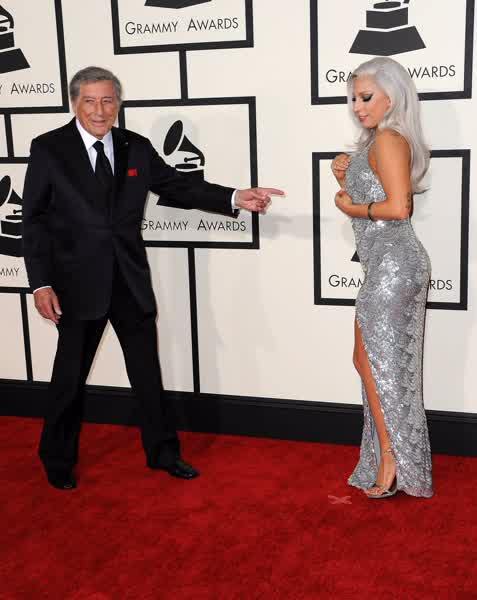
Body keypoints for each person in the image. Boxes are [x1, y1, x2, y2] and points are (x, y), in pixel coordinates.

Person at [22, 66, 284, 491]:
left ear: (118, 103)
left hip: (129, 279)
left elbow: (179, 187)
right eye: (90, 101)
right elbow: (32, 220)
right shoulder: (49, 148)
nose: (99, 110)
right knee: (69, 378)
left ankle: (163, 453)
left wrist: (235, 197)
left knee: (147, 374)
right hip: (76, 285)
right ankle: (57, 459)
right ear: (74, 103)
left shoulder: (136, 147)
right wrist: (40, 283)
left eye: (108, 101)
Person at [331, 57, 433, 498]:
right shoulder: (380, 141)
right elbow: (380, 195)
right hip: (384, 264)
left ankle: (392, 459)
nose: (357, 106)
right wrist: (345, 172)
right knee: (366, 360)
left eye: (366, 97)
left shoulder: (390, 138)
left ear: (392, 97)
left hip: (395, 264)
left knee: (377, 363)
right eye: (353, 98)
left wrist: (349, 206)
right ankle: (388, 454)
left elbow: (398, 208)